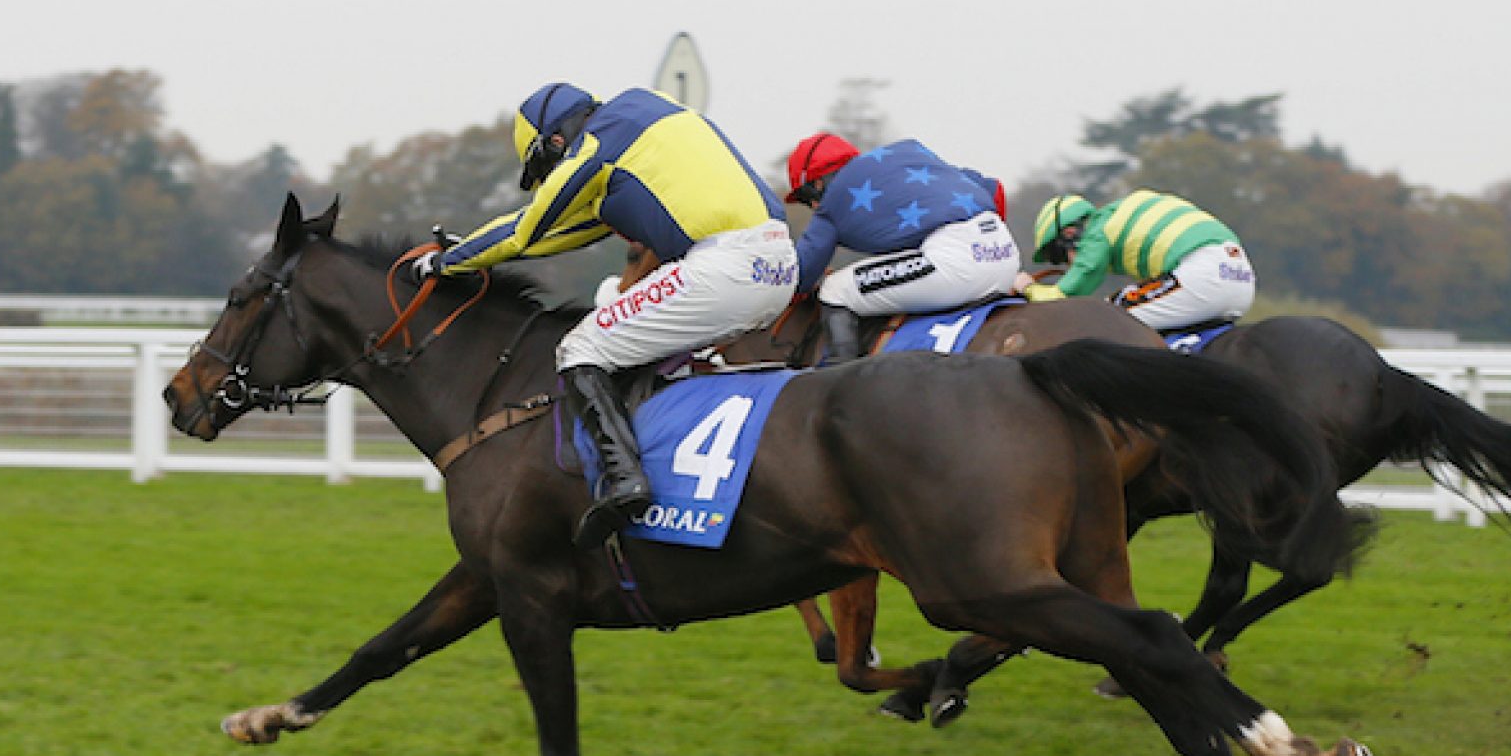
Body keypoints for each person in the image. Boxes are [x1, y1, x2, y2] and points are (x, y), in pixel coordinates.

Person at [414, 83, 796, 546]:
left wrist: (444, 262)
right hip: (777, 262)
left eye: (546, 167)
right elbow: (556, 236)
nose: (551, 175)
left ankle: (625, 481)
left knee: (580, 347)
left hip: (724, 267)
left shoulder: (600, 140)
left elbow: (526, 229)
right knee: (633, 344)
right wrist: (473, 250)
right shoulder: (637, 134)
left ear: (556, 141)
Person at [784, 133, 1019, 364]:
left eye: (806, 198)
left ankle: (838, 379)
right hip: (1005, 253)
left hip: (957, 263)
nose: (813, 206)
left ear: (817, 183)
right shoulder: (908, 155)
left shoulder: (833, 199)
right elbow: (994, 188)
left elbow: (801, 276)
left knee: (836, 289)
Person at [1016, 190, 1256, 331]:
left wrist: (1028, 287)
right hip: (1241, 278)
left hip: (1203, 276)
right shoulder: (1119, 213)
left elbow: (1068, 294)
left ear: (1070, 232)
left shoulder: (1097, 232)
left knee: (1104, 318)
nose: (1067, 265)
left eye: (1060, 255)